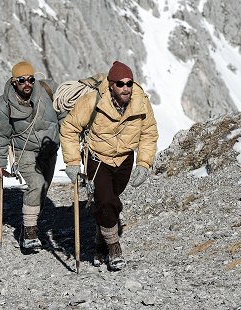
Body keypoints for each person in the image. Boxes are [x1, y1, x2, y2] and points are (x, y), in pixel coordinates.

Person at [60, 61, 158, 271]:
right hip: (97, 159)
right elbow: (69, 128)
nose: (126, 88)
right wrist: (73, 162)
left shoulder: (141, 102)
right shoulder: (92, 101)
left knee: (110, 201)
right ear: (111, 84)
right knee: (106, 201)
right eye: (121, 84)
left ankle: (99, 239)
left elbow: (149, 133)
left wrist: (143, 163)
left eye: (129, 83)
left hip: (125, 159)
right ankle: (114, 248)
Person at [0, 61, 66, 251]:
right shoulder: (3, 105)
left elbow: (64, 113)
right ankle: (29, 234)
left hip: (49, 150)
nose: (27, 84)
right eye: (21, 80)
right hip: (24, 151)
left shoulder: (49, 90)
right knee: (36, 184)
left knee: (43, 189)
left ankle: (28, 225)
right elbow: (0, 134)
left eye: (31, 79)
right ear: (14, 82)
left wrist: (70, 138)